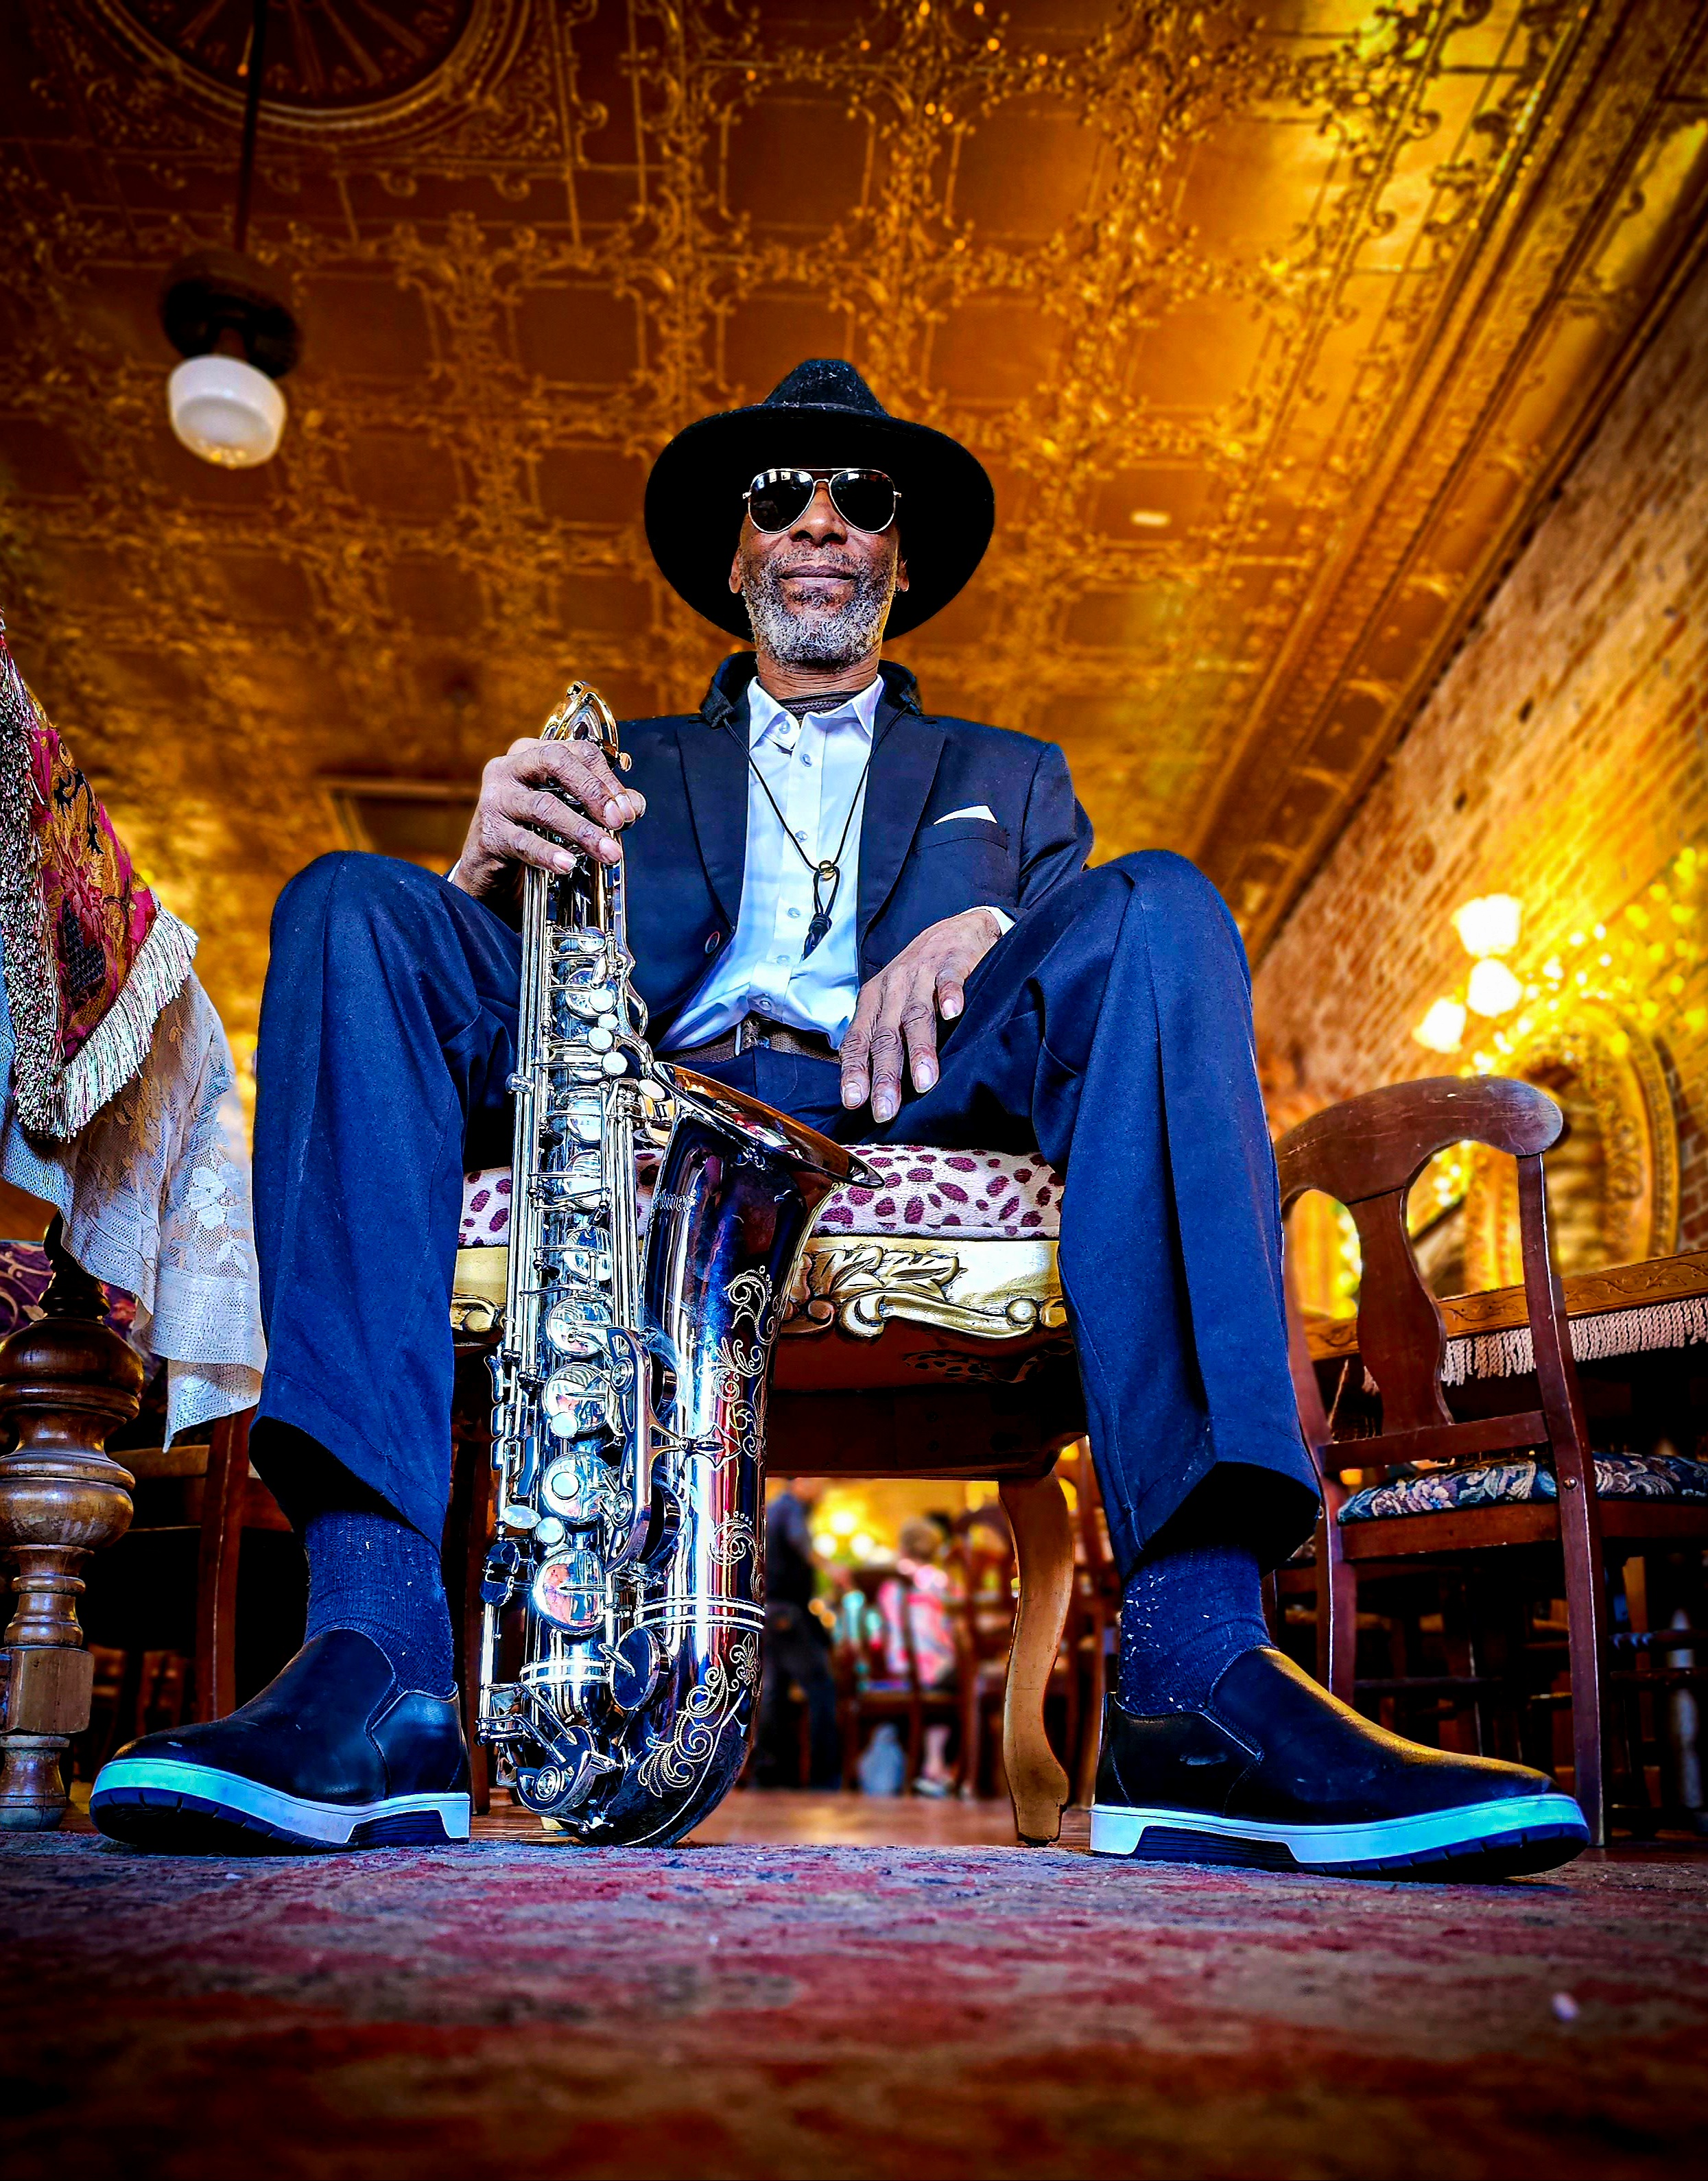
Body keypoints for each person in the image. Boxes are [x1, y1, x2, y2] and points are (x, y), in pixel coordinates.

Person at [91, 360, 1589, 1877]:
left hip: (915, 1073)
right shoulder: (629, 764)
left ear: (901, 556)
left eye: (860, 500)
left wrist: (999, 916)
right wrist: (478, 877)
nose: (819, 522)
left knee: (1165, 907)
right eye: (779, 499)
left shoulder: (1009, 776)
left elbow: (1086, 969)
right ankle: (378, 1661)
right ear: (735, 557)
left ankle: (1197, 1671)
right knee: (352, 903)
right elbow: (505, 987)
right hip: (650, 1076)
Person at [757, 1479, 841, 1788]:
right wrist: (833, 1570)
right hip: (789, 1614)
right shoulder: (791, 1509)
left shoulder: (775, 1509)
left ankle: (768, 1775)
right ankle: (824, 1778)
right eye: (821, 1483)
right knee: (821, 1689)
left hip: (771, 1612)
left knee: (774, 1693)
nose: (823, 1490)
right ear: (804, 1481)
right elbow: (801, 1543)